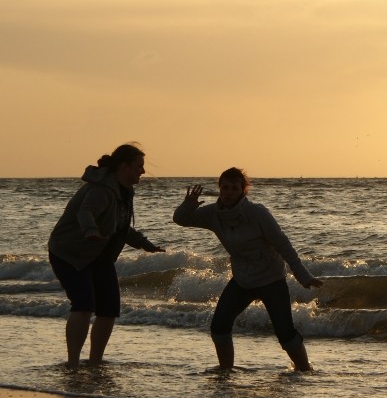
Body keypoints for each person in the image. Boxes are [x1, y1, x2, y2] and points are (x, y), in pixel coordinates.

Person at [173, 167, 322, 371]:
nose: (228, 192)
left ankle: (305, 370)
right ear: (219, 189)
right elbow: (181, 220)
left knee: (285, 333)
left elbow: (282, 244)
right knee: (219, 327)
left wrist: (303, 276)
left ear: (243, 191)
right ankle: (225, 371)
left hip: (271, 279)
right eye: (224, 187)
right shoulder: (213, 214)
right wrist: (187, 206)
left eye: (234, 188)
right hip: (242, 280)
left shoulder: (258, 213)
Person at [48, 143, 164, 367]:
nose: (143, 171)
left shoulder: (124, 191)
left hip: (98, 254)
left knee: (109, 309)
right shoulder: (101, 189)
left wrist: (145, 244)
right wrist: (90, 231)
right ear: (124, 166)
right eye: (139, 166)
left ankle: (95, 362)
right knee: (83, 304)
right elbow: (86, 212)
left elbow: (120, 226)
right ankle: (73, 363)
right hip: (69, 252)